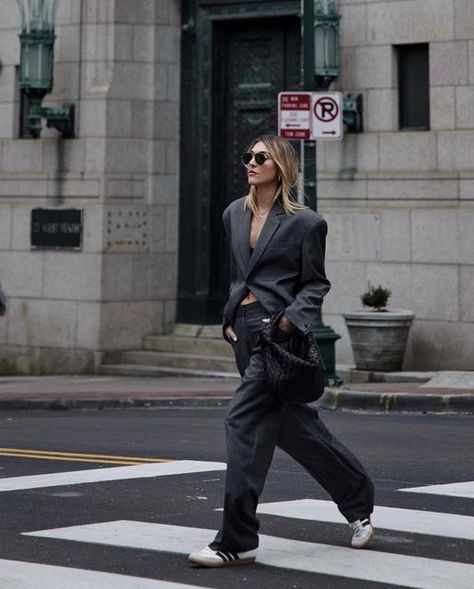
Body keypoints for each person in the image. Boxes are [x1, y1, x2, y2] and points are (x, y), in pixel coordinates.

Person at [188, 135, 374, 568]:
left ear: (282, 167)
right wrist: (231, 317)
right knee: (295, 430)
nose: (250, 163)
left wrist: (289, 320)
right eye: (247, 156)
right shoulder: (234, 213)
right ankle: (359, 502)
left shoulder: (306, 223)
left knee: (243, 421)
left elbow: (315, 283)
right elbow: (240, 274)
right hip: (245, 331)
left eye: (260, 157)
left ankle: (237, 539)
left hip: (278, 334)